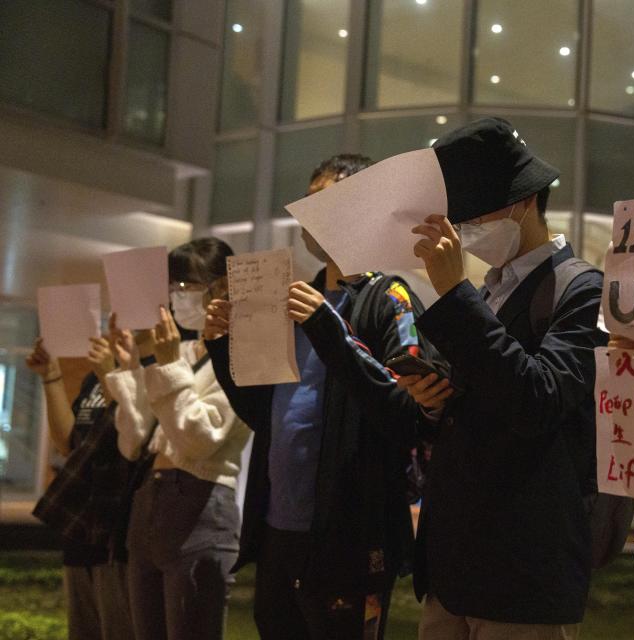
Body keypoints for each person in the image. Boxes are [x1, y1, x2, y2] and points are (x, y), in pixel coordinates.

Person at [202, 153, 428, 640]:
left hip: (351, 534)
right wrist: (222, 348)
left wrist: (329, 328)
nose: (312, 215)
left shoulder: (390, 298)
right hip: (280, 527)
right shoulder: (291, 299)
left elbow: (406, 413)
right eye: (309, 202)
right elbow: (263, 415)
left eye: (328, 202)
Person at [400, 117, 605, 639]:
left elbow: (539, 399)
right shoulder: (485, 291)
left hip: (524, 572)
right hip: (453, 565)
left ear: (525, 200)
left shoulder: (581, 289)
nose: (466, 230)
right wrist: (432, 400)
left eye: (475, 214)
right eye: (459, 218)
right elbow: (471, 403)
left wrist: (455, 298)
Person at [104, 237, 250, 640]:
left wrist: (165, 365)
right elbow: (133, 442)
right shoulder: (183, 350)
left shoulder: (244, 354)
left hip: (201, 504)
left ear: (222, 287)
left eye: (186, 288)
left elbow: (200, 440)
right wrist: (132, 365)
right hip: (151, 501)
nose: (176, 299)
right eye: (171, 289)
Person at [29, 335, 136, 640]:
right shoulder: (95, 376)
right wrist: (51, 377)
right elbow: (68, 444)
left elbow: (132, 433)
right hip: (81, 526)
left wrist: (109, 376)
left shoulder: (141, 372)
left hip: (117, 528)